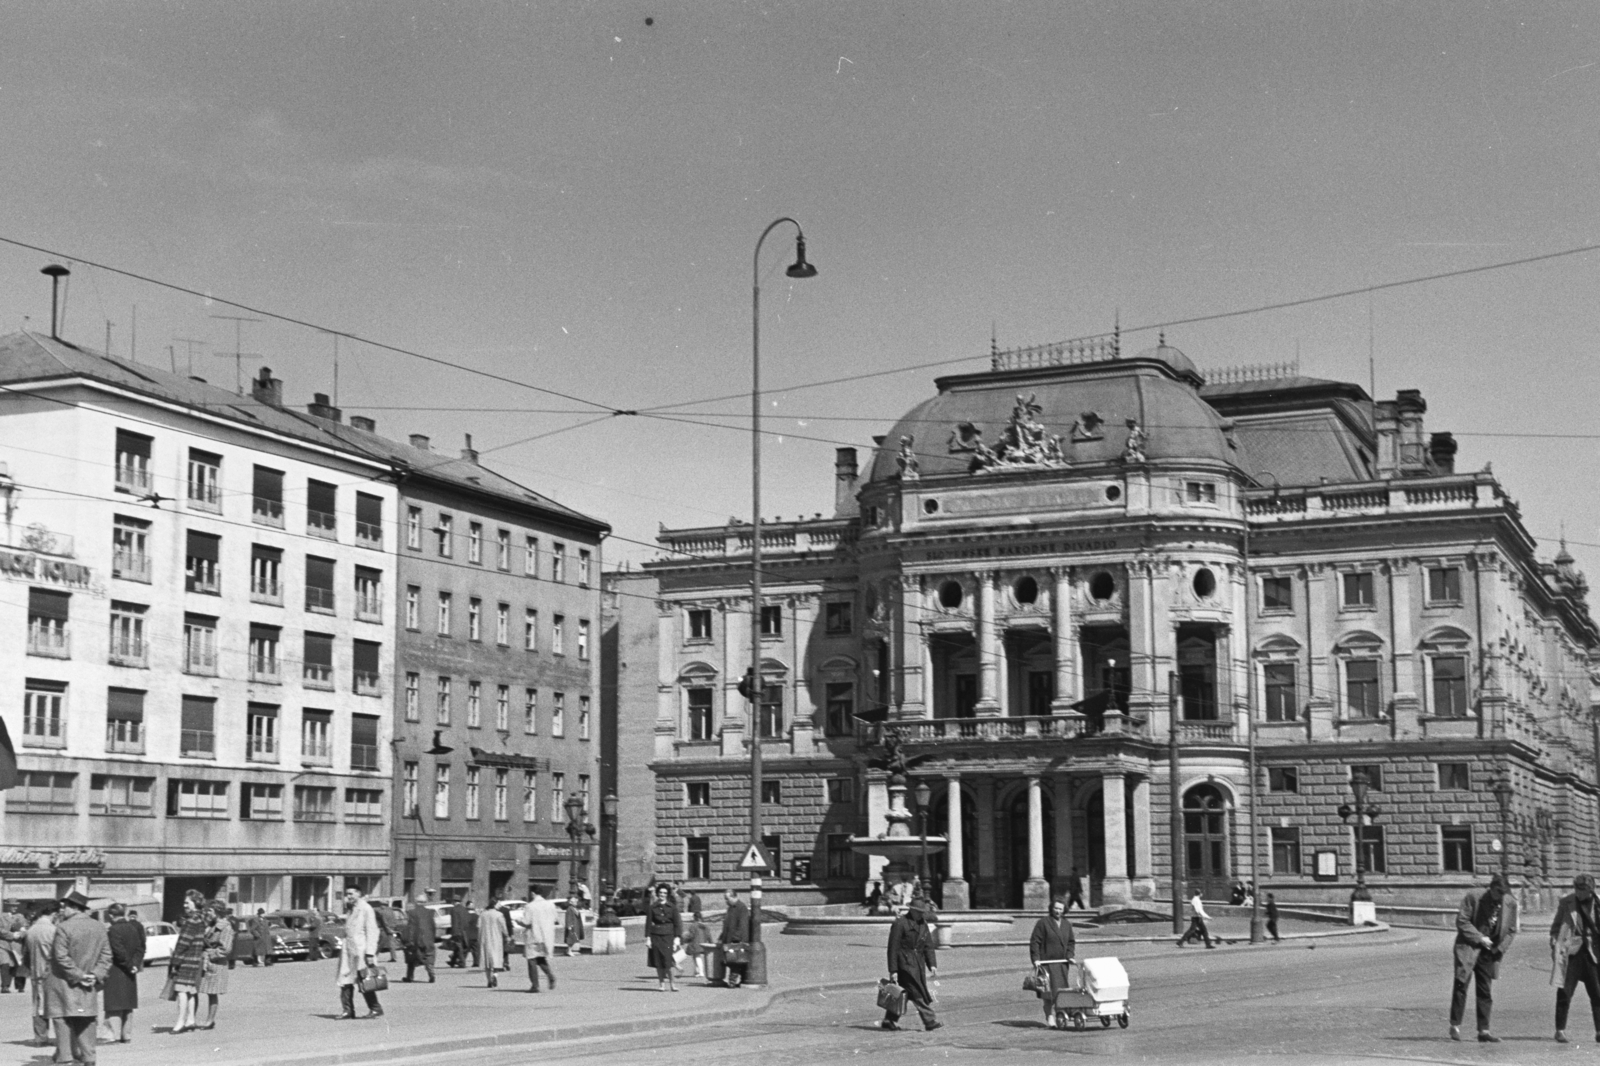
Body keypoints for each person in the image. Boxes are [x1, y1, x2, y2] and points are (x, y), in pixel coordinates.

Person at [45, 889, 111, 1066]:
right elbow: (106, 956)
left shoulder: (64, 927)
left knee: (62, 1019)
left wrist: (79, 975)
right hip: (89, 983)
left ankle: (65, 1058)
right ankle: (89, 1058)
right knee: (87, 1019)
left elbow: (60, 957)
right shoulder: (99, 926)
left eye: (64, 906)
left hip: (63, 983)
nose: (62, 910)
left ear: (73, 907)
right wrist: (94, 975)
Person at [1451, 873, 1517, 1043]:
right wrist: (1480, 937)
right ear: (1491, 888)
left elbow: (1511, 930)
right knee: (1461, 985)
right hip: (1469, 947)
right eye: (1497, 893)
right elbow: (1462, 921)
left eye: (1503, 894)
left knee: (1485, 991)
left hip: (1489, 952)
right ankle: (1455, 1025)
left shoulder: (1510, 902)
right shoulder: (1474, 897)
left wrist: (1499, 949)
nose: (1500, 897)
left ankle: (1484, 1031)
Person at [1551, 873, 1600, 1043]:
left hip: (1593, 954)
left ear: (1591, 889)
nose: (1579, 893)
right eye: (1577, 889)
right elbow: (1556, 927)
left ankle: (1599, 1031)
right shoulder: (1567, 902)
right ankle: (1560, 1030)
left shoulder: (1599, 903)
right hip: (1572, 953)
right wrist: (1554, 940)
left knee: (1597, 993)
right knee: (1564, 992)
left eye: (1583, 890)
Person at [881, 897, 941, 1032]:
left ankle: (888, 1020)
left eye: (922, 912)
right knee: (917, 991)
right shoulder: (900, 923)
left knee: (904, 993)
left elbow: (928, 946)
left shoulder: (923, 924)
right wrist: (893, 970)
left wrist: (932, 964)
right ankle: (929, 1020)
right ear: (912, 910)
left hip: (917, 964)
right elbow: (893, 948)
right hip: (904, 965)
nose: (921, 914)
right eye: (919, 911)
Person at [336, 885, 383, 1020]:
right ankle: (347, 1010)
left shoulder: (366, 909)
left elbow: (373, 931)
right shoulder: (351, 909)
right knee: (345, 980)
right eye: (347, 894)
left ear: (359, 894)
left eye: (351, 894)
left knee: (364, 980)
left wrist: (370, 953)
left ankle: (375, 1008)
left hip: (361, 951)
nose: (348, 896)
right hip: (348, 950)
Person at [1029, 897, 1076, 1029]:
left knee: (1060, 991)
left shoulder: (1067, 924)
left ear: (1064, 910)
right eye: (1055, 908)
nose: (1057, 911)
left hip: (1061, 964)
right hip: (1046, 963)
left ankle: (1060, 1014)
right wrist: (1036, 959)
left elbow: (1071, 942)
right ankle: (1049, 1016)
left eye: (1060, 909)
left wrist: (1070, 956)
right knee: (1048, 992)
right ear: (1051, 908)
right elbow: (1035, 942)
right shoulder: (1043, 923)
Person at [101, 904, 145, 1044]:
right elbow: (140, 948)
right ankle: (126, 1034)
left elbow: (118, 952)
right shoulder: (133, 927)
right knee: (128, 1004)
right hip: (130, 972)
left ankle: (113, 1035)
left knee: (115, 1004)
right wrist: (135, 965)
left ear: (112, 915)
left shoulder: (113, 930)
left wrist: (128, 964)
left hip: (117, 970)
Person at [166, 891, 208, 1034]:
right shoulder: (201, 920)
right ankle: (190, 1020)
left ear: (195, 904)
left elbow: (183, 943)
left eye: (187, 902)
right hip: (195, 960)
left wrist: (175, 961)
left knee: (181, 991)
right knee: (190, 990)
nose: (184, 905)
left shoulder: (190, 922)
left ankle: (180, 1022)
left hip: (186, 961)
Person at [196, 901, 234, 1030]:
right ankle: (193, 1019)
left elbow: (226, 949)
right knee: (199, 991)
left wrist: (210, 953)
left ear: (217, 911)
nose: (207, 913)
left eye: (210, 911)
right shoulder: (210, 925)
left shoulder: (225, 927)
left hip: (215, 964)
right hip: (206, 963)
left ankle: (210, 1020)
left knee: (212, 993)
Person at [25, 902, 58, 1048]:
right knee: (55, 1005)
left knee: (37, 1005)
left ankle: (40, 1037)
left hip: (35, 972)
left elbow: (25, 955)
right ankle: (61, 1038)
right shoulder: (53, 930)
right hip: (51, 972)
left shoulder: (31, 930)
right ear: (54, 914)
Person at [645, 884, 683, 992]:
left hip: (668, 936)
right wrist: (648, 938)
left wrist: (677, 938)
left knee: (668, 961)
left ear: (667, 895)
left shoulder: (672, 907)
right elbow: (648, 923)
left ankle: (672, 984)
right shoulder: (652, 907)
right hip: (656, 936)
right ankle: (661, 984)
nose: (662, 895)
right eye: (660, 893)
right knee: (658, 962)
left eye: (665, 893)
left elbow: (677, 923)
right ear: (657, 894)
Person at [520, 887, 558, 992]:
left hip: (533, 935)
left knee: (532, 959)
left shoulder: (530, 906)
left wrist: (519, 921)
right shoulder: (551, 905)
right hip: (546, 935)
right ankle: (550, 975)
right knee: (541, 958)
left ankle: (535, 985)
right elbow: (555, 919)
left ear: (532, 893)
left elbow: (526, 922)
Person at [718, 887, 750, 988]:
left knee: (735, 962)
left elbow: (742, 926)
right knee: (732, 961)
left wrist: (737, 939)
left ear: (733, 897)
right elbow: (727, 925)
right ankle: (738, 979)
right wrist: (721, 937)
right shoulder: (731, 908)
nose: (726, 901)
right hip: (729, 939)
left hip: (736, 940)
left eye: (727, 899)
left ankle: (732, 981)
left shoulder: (741, 907)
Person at [403, 894, 437, 983]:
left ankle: (409, 976)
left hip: (416, 939)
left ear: (416, 902)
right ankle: (431, 973)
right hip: (428, 938)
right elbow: (433, 927)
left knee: (411, 958)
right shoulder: (430, 912)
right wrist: (432, 937)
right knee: (428, 956)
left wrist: (408, 940)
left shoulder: (412, 912)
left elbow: (410, 928)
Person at [478, 898, 508, 988]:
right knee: (496, 959)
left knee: (487, 962)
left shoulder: (482, 914)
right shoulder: (499, 915)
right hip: (496, 938)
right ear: (495, 905)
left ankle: (489, 980)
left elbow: (478, 927)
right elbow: (504, 928)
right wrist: (507, 935)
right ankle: (495, 975)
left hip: (485, 939)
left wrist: (479, 938)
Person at [0, 899, 25, 993]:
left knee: (17, 965)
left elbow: (25, 928)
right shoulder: (1, 916)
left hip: (16, 945)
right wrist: (11, 935)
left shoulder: (20, 917)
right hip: (3, 945)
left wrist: (21, 934)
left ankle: (19, 986)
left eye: (16, 905)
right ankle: (5, 986)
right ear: (7, 906)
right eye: (12, 905)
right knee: (5, 963)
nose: (15, 907)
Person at [683, 906, 713, 978]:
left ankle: (701, 972)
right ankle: (696, 972)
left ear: (694, 918)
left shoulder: (693, 926)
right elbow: (709, 935)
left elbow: (691, 935)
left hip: (695, 944)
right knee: (696, 957)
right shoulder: (705, 926)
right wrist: (711, 943)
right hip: (703, 944)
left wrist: (685, 940)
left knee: (697, 957)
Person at [449, 897, 471, 968]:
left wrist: (453, 932)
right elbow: (467, 920)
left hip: (457, 931)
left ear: (454, 901)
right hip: (464, 931)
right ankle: (452, 961)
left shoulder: (454, 909)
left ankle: (462, 963)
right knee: (458, 947)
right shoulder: (464, 909)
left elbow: (454, 922)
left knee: (459, 947)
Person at [562, 892, 585, 957]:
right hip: (572, 926)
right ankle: (569, 951)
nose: (576, 901)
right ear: (571, 902)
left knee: (574, 938)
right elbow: (568, 917)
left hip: (576, 925)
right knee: (571, 938)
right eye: (574, 901)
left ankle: (568, 950)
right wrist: (569, 925)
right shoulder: (570, 909)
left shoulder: (574, 908)